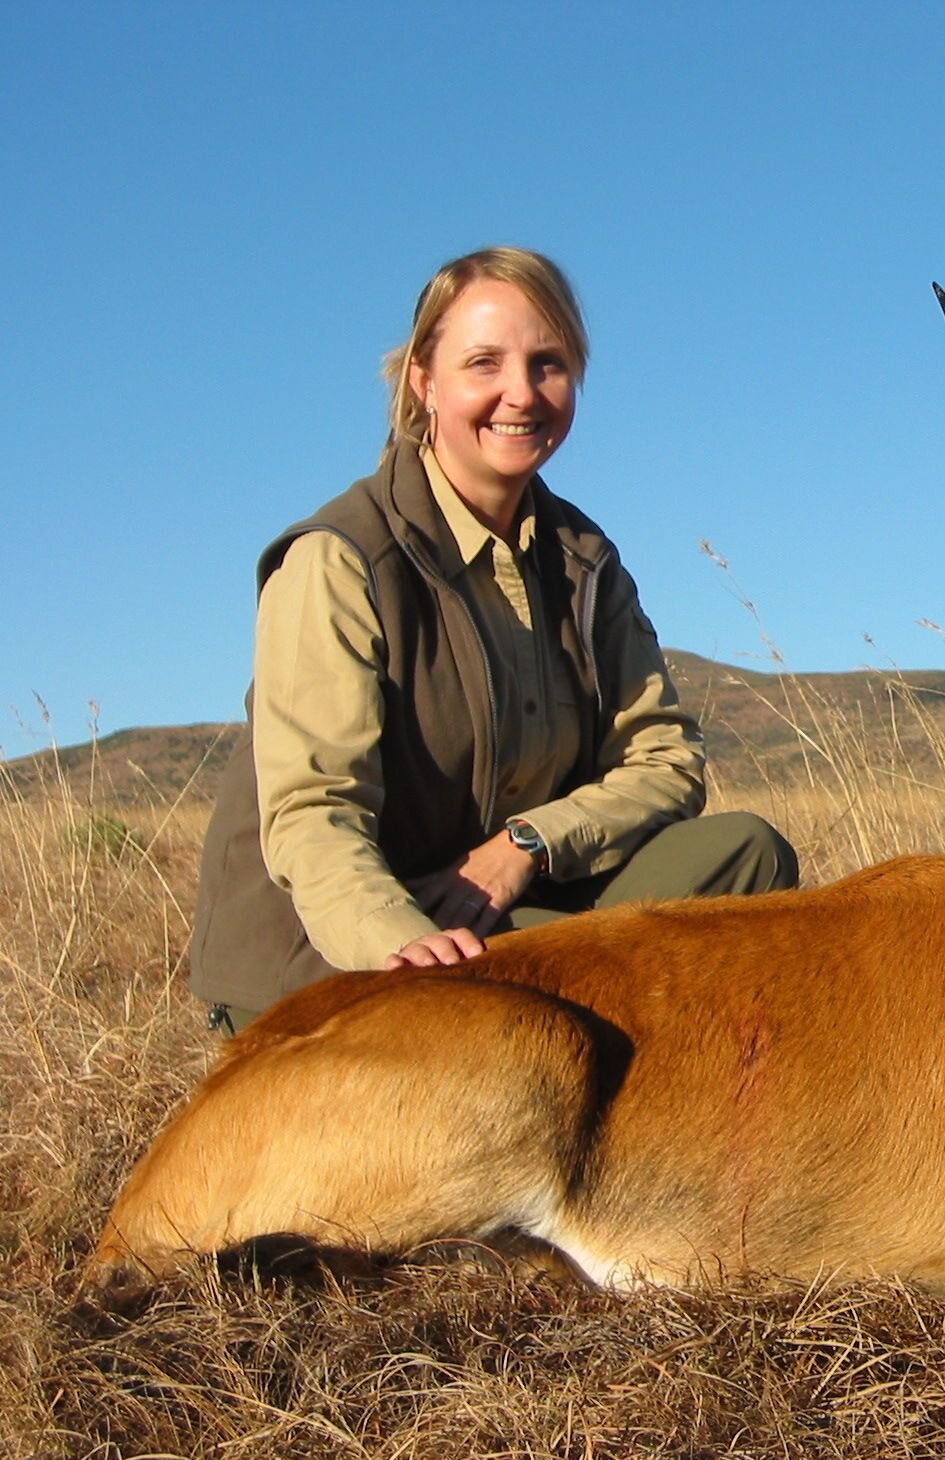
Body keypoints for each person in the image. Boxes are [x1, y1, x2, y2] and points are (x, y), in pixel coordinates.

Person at [189, 247, 797, 1031]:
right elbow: (314, 816)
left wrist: (527, 846)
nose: (521, 393)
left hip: (507, 905)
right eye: (484, 363)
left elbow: (667, 760)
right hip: (345, 949)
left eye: (548, 364)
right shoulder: (340, 559)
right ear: (424, 382)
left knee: (751, 856)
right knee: (559, 993)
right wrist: (403, 941)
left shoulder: (584, 562)